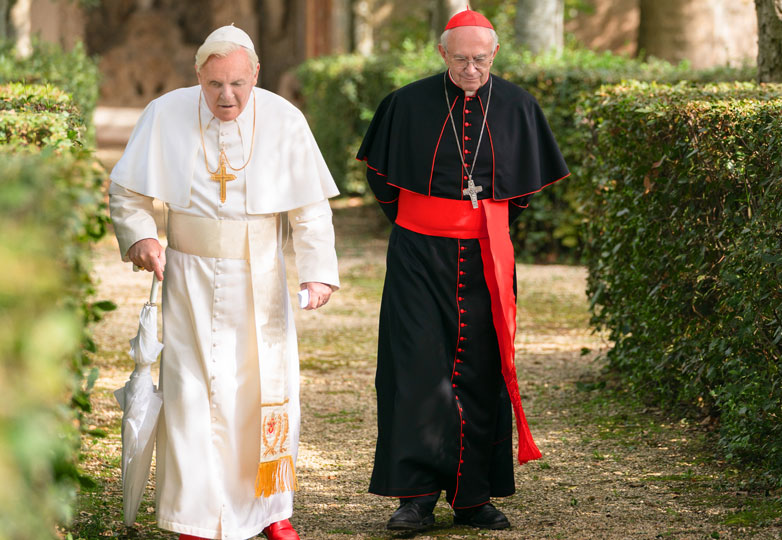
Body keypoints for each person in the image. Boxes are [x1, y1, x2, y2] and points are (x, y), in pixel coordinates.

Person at [108, 25, 340, 540]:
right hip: (187, 277)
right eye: (214, 85)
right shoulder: (165, 113)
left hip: (262, 281)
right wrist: (142, 237)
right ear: (199, 76)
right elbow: (126, 191)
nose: (227, 97)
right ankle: (193, 515)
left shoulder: (284, 120)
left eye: (238, 83)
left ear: (255, 73)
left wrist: (320, 272)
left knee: (263, 393)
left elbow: (310, 208)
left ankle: (271, 511)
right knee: (191, 395)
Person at [356, 7, 569, 532]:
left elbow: (520, 196)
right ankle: (416, 497)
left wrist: (478, 223)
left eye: (480, 59)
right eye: (460, 60)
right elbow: (383, 186)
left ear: (494, 54)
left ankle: (474, 496)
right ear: (441, 54)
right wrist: (430, 223)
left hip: (485, 256)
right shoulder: (405, 104)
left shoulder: (518, 106)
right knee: (414, 371)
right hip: (418, 256)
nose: (471, 69)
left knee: (481, 369)